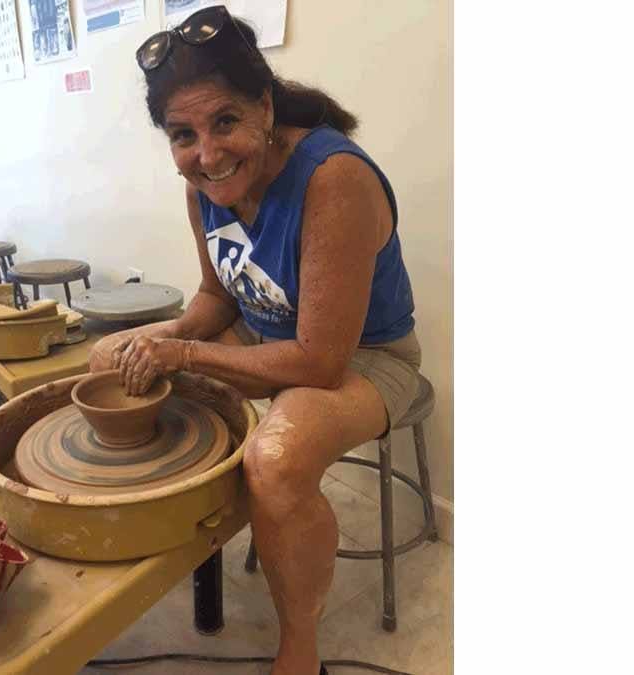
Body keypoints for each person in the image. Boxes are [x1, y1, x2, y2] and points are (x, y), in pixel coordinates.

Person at [90, 6, 420, 675]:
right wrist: (166, 337)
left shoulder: (335, 179)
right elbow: (217, 295)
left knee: (274, 458)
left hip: (364, 355)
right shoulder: (204, 184)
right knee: (105, 359)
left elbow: (319, 362)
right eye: (183, 135)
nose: (207, 154)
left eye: (225, 122)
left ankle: (300, 645)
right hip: (266, 328)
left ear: (264, 107)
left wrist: (182, 354)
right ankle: (192, 532)